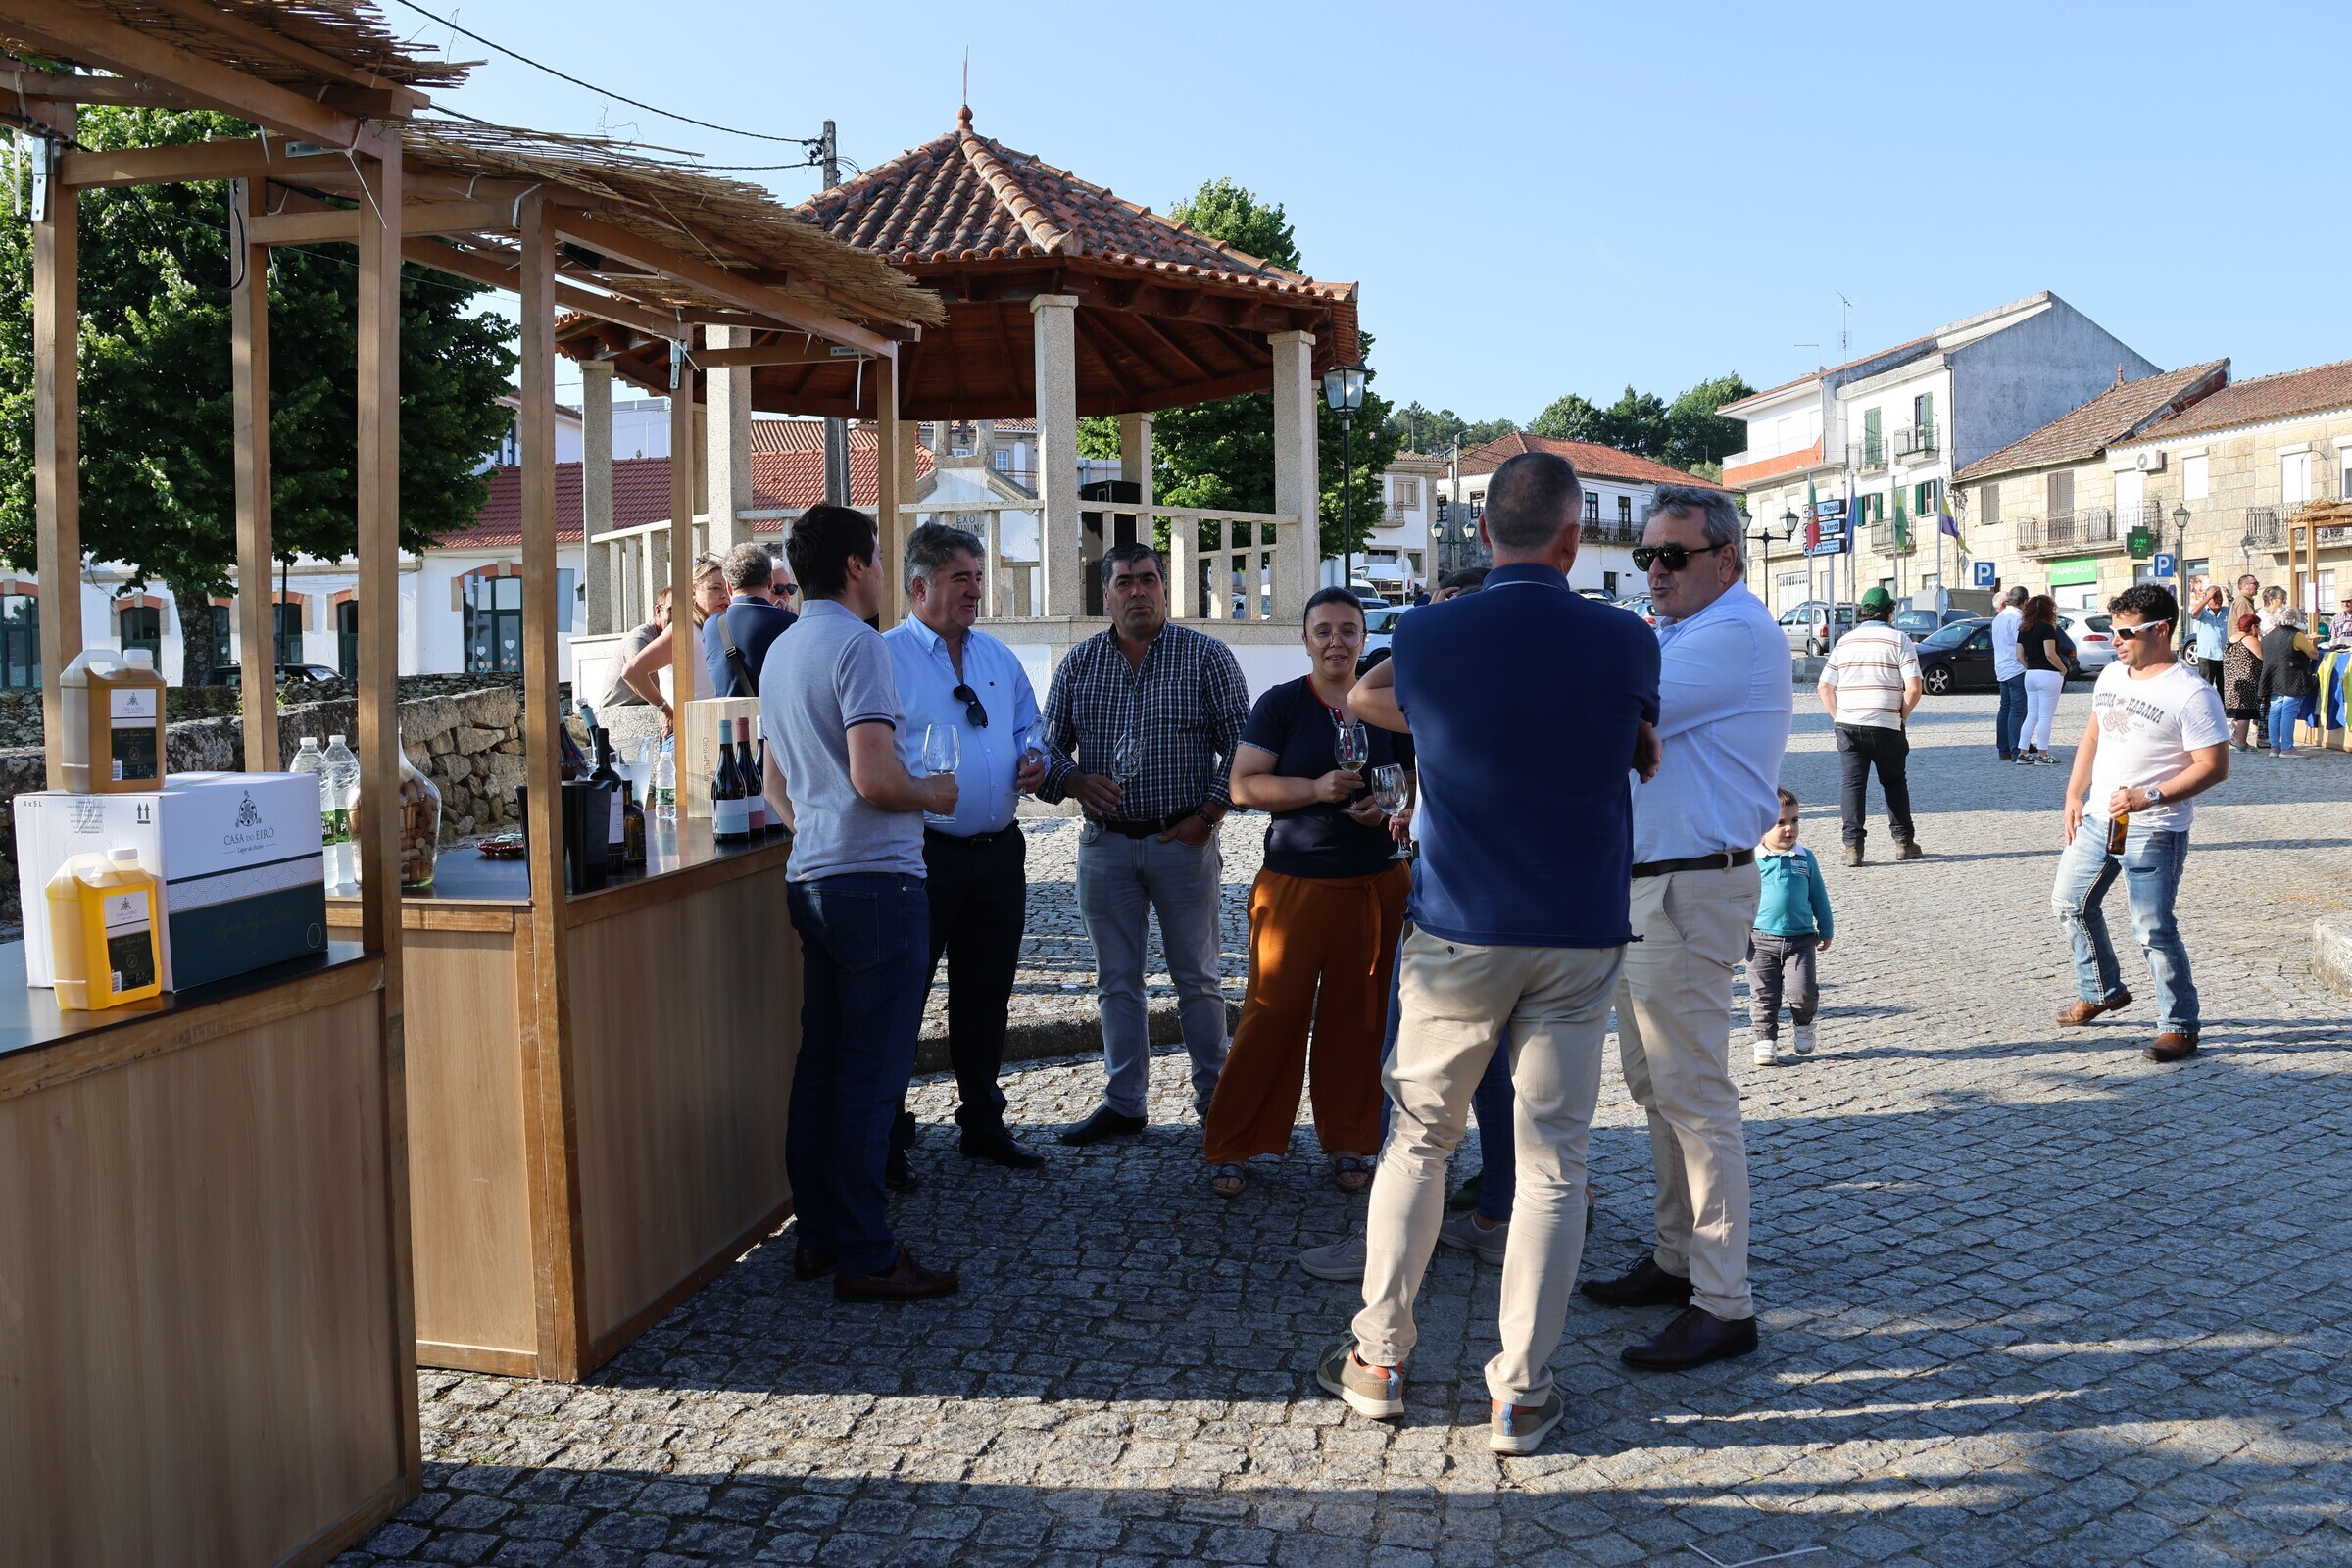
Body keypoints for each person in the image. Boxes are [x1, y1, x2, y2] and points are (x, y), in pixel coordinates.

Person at [1319, 450, 1660, 1456]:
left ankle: (1380, 1359)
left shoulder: (1429, 633)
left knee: (1420, 1142)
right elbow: (1640, 744)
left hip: (1459, 926)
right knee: (1554, 1162)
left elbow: (1365, 699)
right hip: (1578, 928)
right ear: (1573, 539)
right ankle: (1521, 1390)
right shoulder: (1626, 637)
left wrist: (1439, 720)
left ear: (1482, 534)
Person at [1580, 483, 1790, 1372]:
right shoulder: (1679, 630)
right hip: (1650, 885)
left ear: (1726, 560)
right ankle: (1677, 1259)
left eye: (1674, 555)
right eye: (1646, 556)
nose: (1655, 571)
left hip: (1687, 888)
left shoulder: (1732, 633)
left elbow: (1605, 713)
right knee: (1655, 1086)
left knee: (1696, 1098)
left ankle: (1723, 1301)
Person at [760, 504, 959, 1301]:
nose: (882, 571)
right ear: (854, 566)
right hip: (877, 883)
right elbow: (876, 779)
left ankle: (819, 1235)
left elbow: (775, 784)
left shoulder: (782, 649)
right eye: (876, 558)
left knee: (822, 1068)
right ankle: (868, 1255)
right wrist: (934, 794)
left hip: (812, 877)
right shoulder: (859, 645)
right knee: (870, 1079)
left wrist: (818, 831)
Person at [1036, 542, 1248, 1144]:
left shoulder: (1205, 657)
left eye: (1148, 580)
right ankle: (1125, 1102)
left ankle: (1216, 1100)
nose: (1138, 592)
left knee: (1198, 978)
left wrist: (1209, 814)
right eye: (1125, 582)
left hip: (1183, 840)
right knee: (1116, 981)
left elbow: (1244, 744)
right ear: (1105, 594)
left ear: (1163, 587)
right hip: (1105, 846)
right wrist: (1073, 780)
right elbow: (1044, 748)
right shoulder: (1079, 664)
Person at [1203, 589, 1410, 1198]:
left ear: (1364, 638)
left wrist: (1389, 804)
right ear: (1306, 640)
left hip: (1376, 883)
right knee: (1271, 1015)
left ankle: (1351, 1140)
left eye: (1348, 630)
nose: (1336, 642)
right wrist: (1315, 790)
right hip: (1296, 884)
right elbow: (1243, 786)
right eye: (1324, 631)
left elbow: (1417, 772)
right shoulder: (1283, 704)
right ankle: (1233, 1142)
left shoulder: (1384, 702)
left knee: (1360, 1020)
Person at [883, 524, 1050, 1175]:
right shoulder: (886, 658)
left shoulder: (997, 657)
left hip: (998, 854)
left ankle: (983, 1122)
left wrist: (1034, 755)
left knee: (986, 993)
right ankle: (888, 1135)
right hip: (923, 855)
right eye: (961, 578)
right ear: (919, 586)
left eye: (978, 577)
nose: (975, 590)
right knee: (905, 996)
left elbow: (1029, 723)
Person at [2051, 583, 2230, 1064]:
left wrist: (2148, 797)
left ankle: (2179, 1026)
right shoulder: (2112, 674)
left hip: (2155, 825)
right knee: (2070, 902)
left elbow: (2214, 767)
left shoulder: (2191, 693)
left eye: (2126, 632)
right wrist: (2073, 793)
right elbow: (2093, 734)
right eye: (2114, 631)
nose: (2116, 640)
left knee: (2152, 928)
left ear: (2161, 630)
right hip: (2098, 818)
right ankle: (2102, 990)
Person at [1816, 584, 1923, 864]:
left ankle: (1853, 848)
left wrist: (1839, 716)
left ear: (1863, 613)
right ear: (1890, 613)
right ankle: (1904, 843)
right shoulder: (1899, 639)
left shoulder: (1845, 642)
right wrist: (1902, 715)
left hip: (1849, 723)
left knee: (1853, 785)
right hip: (1886, 723)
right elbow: (1914, 687)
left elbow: (1824, 687)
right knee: (1894, 782)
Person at [1749, 788, 1834, 1066]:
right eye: (1781, 822)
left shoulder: (1805, 857)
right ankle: (1765, 1039)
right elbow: (1738, 898)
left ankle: (1804, 1022)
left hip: (1801, 940)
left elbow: (1818, 895)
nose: (1790, 828)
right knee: (1763, 995)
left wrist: (1826, 928)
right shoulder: (1752, 859)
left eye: (1795, 820)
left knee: (1803, 992)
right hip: (1759, 940)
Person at [617, 554, 732, 736]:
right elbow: (632, 672)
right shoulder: (682, 631)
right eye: (716, 588)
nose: (724, 595)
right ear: (693, 592)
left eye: (727, 588)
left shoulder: (719, 628)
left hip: (716, 732)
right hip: (687, 735)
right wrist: (666, 710)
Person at [703, 543, 798, 698]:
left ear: (729, 586)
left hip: (728, 713)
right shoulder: (790, 623)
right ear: (770, 582)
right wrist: (789, 619)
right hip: (772, 713)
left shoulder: (712, 625)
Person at [2259, 608, 2320, 760]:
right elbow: (2314, 654)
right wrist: (2314, 642)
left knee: (2275, 710)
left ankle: (2275, 747)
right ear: (2295, 619)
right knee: (2289, 711)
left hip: (2273, 677)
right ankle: (2287, 748)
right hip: (2293, 676)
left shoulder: (2268, 636)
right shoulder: (2296, 635)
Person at [599, 586, 671, 712]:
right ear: (658, 611)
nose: (679, 617)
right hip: (620, 711)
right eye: (672, 610)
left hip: (646, 705)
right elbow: (654, 691)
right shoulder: (639, 640)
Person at [2017, 595, 2069, 764]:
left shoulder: (2023, 629)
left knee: (2031, 715)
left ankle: (2023, 753)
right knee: (2046, 716)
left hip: (2030, 674)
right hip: (2048, 674)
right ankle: (2043, 754)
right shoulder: (2047, 628)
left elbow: (2019, 656)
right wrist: (2063, 669)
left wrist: (2030, 666)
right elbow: (2050, 653)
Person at [1990, 586, 2029, 760]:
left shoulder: (1998, 618)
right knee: (2017, 711)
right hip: (2017, 668)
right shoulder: (2018, 618)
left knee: (2005, 708)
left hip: (2001, 668)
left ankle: (2004, 749)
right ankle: (2016, 750)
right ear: (2024, 601)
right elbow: (2021, 644)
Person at [2223, 612, 2266, 751]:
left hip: (2232, 682)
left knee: (2239, 713)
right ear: (2253, 627)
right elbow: (2263, 656)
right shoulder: (2249, 640)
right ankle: (2241, 743)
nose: (2259, 630)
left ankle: (2237, 738)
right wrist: (2260, 639)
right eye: (2258, 627)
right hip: (2248, 681)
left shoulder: (2232, 639)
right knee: (2245, 713)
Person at [2187, 585, 2230, 688]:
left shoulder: (2226, 611)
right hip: (2207, 656)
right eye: (2215, 596)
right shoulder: (2203, 611)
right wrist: (2207, 598)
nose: (2219, 599)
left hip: (2223, 655)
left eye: (2220, 596)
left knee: (2224, 688)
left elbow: (2238, 613)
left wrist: (2230, 598)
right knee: (2206, 686)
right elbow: (2193, 613)